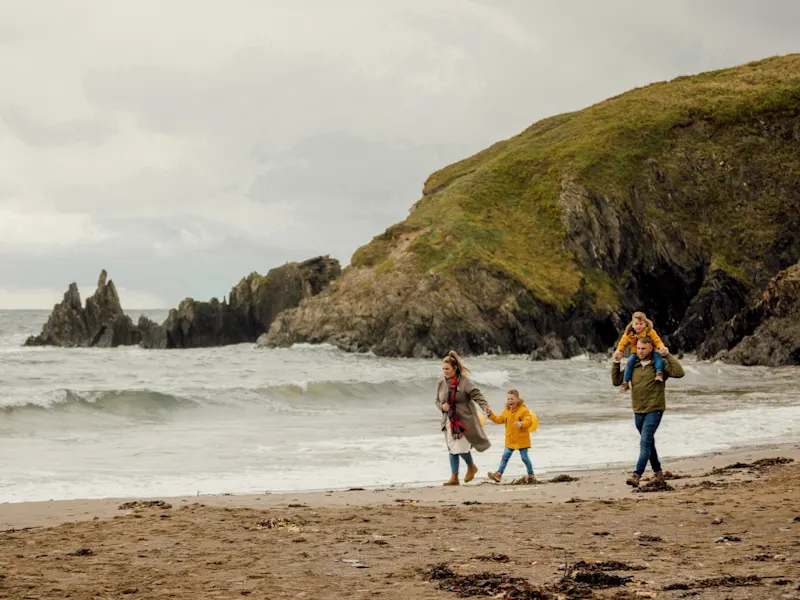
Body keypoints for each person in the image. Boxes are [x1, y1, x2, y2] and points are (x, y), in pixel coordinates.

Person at [611, 337, 685, 487]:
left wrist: (667, 355)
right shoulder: (634, 365)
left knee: (645, 442)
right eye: (638, 348)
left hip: (655, 409)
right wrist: (616, 362)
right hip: (638, 410)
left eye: (643, 349)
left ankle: (636, 475)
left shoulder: (660, 365)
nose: (640, 351)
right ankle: (658, 473)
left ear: (651, 348)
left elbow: (679, 372)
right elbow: (616, 381)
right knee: (649, 443)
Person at [435, 350, 492, 486]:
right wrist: (442, 407)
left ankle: (471, 466)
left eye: (447, 369)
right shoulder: (441, 383)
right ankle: (454, 477)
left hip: (464, 421)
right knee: (451, 448)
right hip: (449, 420)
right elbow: (437, 401)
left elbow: (477, 395)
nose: (445, 371)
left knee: (459, 448)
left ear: (455, 368)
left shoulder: (465, 382)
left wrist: (485, 407)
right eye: (443, 369)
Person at [486, 389, 536, 483]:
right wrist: (490, 414)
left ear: (517, 399)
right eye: (508, 399)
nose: (510, 401)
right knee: (505, 456)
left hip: (521, 439)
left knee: (524, 458)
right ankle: (498, 474)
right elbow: (499, 420)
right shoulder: (506, 411)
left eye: (512, 399)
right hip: (510, 439)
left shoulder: (523, 410)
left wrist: (521, 424)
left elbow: (529, 421)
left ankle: (531, 475)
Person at [614, 311, 669, 392]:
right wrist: (619, 351)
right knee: (629, 363)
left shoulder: (649, 331)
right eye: (636, 324)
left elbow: (657, 340)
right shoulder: (629, 333)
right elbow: (622, 343)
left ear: (645, 324)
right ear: (632, 324)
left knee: (658, 357)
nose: (638, 326)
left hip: (650, 350)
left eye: (641, 323)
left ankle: (659, 373)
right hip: (635, 352)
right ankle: (625, 382)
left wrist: (661, 347)